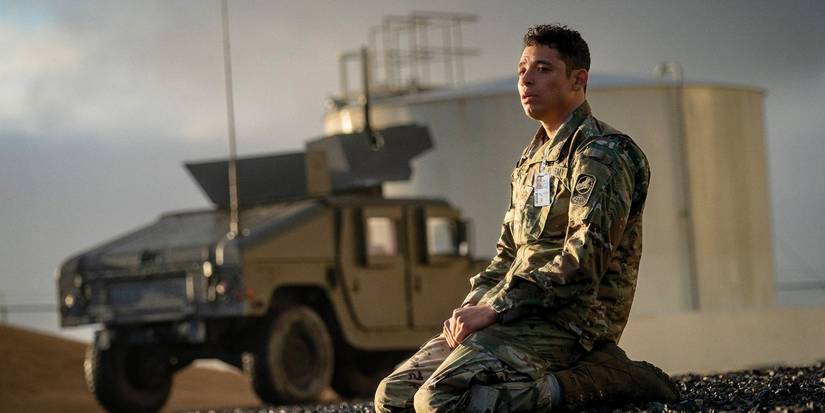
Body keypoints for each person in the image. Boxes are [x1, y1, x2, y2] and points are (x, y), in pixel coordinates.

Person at [374, 24, 679, 412]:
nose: (527, 79)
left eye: (543, 69)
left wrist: (496, 308)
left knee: (439, 401)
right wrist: (472, 308)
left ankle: (599, 378)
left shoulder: (601, 154)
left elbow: (583, 263)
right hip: (513, 313)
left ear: (578, 80)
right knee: (393, 396)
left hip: (571, 321)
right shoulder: (530, 163)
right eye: (522, 70)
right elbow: (506, 254)